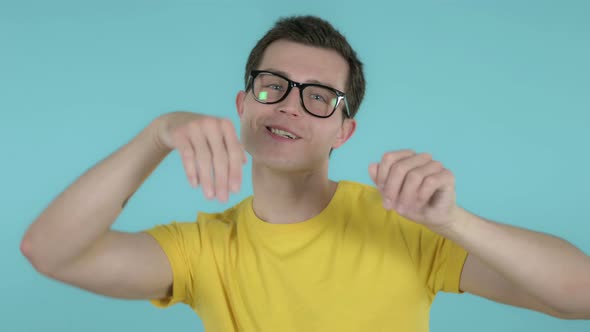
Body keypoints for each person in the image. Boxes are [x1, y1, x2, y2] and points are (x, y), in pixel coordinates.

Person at [21, 15, 590, 332]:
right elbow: (50, 252)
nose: (289, 106)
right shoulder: (203, 250)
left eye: (320, 97)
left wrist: (454, 220)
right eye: (273, 87)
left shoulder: (404, 227)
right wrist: (157, 134)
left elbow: (580, 296)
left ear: (345, 132)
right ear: (244, 105)